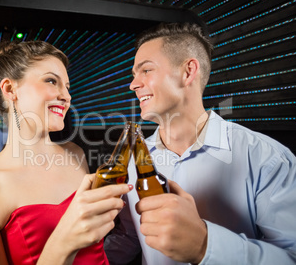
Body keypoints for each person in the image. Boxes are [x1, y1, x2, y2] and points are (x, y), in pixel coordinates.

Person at [104, 22, 296, 264]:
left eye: (146, 70)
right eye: (134, 75)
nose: (133, 85)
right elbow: (131, 238)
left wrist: (205, 245)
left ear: (188, 72)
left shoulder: (266, 159)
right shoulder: (133, 161)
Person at [0, 40, 132, 264]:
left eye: (67, 86)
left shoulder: (75, 154)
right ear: (10, 89)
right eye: (51, 81)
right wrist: (63, 244)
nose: (66, 96)